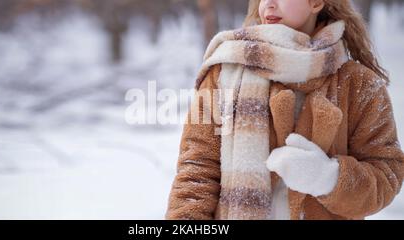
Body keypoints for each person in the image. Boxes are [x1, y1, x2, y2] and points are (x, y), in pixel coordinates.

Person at [165, 0, 404, 220]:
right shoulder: (224, 72)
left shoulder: (359, 84)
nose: (268, 4)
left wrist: (327, 178)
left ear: (316, 3)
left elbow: (387, 174)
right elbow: (197, 169)